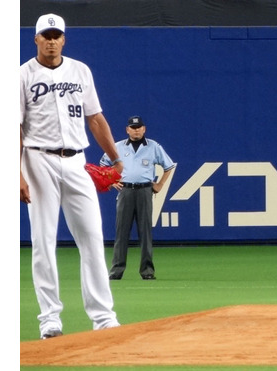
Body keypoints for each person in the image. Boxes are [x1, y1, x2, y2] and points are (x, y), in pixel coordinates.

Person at [20, 14, 122, 339]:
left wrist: (117, 158)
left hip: (76, 160)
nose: (51, 40)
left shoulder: (80, 71)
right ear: (35, 39)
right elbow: (14, 128)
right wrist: (16, 174)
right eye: (45, 35)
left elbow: (96, 118)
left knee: (92, 237)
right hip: (37, 159)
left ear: (64, 39)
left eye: (57, 35)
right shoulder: (21, 75)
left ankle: (103, 317)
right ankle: (50, 319)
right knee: (43, 242)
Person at [100, 116, 176, 280]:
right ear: (127, 129)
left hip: (145, 191)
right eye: (133, 127)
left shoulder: (153, 146)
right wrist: (112, 182)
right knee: (121, 232)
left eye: (139, 127)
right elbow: (103, 165)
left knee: (145, 231)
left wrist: (160, 185)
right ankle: (116, 270)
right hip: (125, 190)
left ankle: (147, 271)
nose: (136, 130)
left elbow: (169, 166)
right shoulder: (117, 146)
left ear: (144, 129)